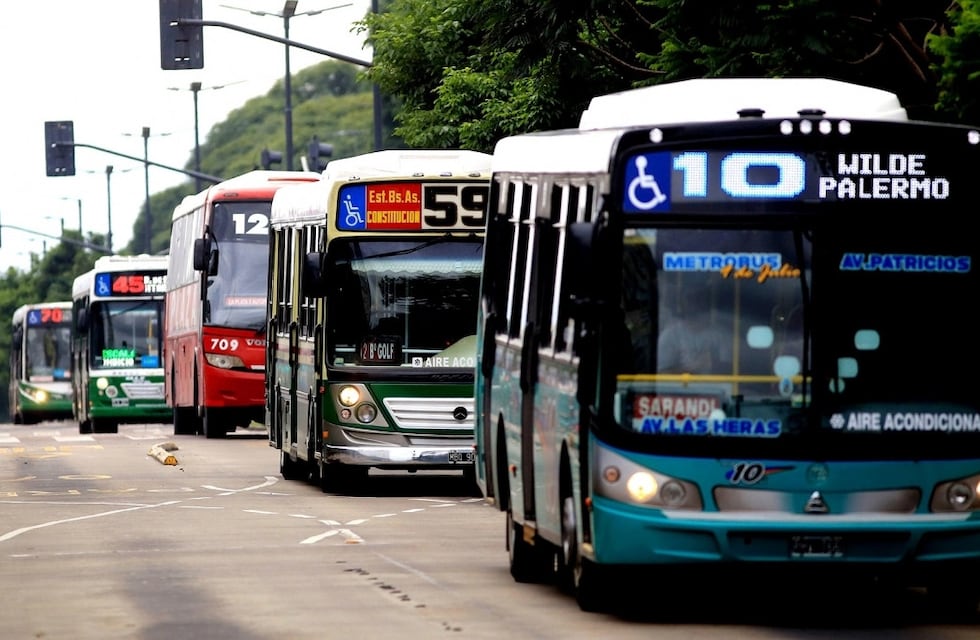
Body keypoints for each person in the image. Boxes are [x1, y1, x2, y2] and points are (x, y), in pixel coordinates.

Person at [657, 292, 731, 374]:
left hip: (715, 386)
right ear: (684, 313)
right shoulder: (670, 335)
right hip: (680, 386)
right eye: (690, 312)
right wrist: (692, 368)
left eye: (699, 311)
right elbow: (660, 373)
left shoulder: (720, 334)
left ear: (708, 312)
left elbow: (730, 370)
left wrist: (714, 364)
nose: (694, 316)